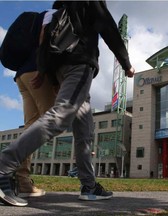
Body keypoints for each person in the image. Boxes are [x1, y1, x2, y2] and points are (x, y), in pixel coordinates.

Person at [0, 0, 135, 207]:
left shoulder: (59, 5)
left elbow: (47, 37)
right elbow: (107, 26)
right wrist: (126, 62)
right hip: (80, 63)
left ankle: (89, 186)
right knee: (62, 115)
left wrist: (46, 72)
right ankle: (3, 165)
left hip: (60, 68)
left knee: (84, 129)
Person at [13, 9, 58, 198]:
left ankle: (22, 181)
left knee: (31, 126)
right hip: (37, 74)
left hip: (22, 75)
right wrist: (42, 70)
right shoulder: (57, 13)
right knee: (55, 122)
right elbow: (44, 38)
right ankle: (7, 166)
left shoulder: (41, 14)